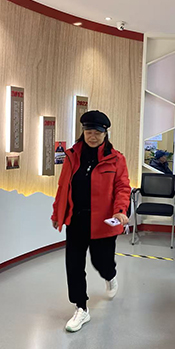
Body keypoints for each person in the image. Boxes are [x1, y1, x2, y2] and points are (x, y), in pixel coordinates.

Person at [51, 110, 131, 333]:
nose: (92, 136)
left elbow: (122, 188)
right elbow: (63, 187)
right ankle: (81, 308)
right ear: (83, 132)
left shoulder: (116, 159)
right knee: (74, 265)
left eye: (97, 132)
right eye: (88, 132)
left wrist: (120, 211)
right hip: (76, 220)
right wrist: (57, 214)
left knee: (101, 262)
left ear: (105, 134)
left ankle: (110, 275)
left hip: (103, 222)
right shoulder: (72, 156)